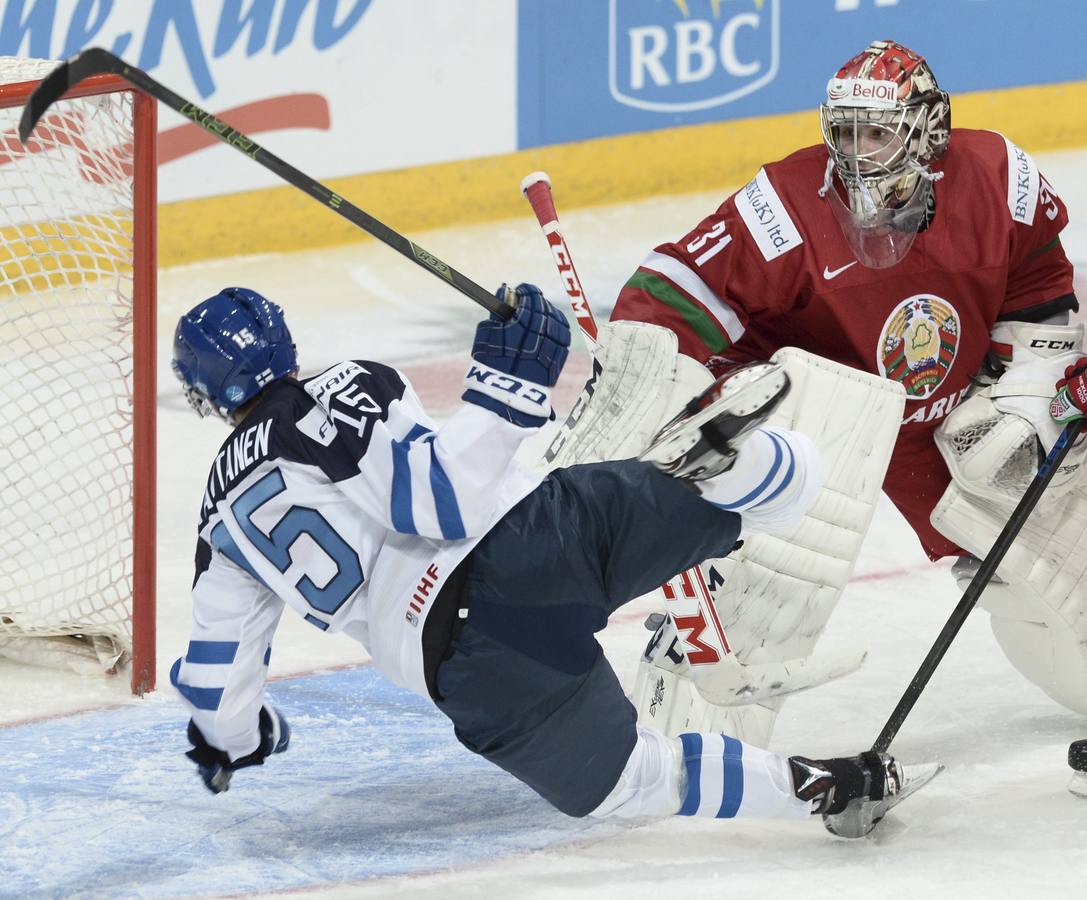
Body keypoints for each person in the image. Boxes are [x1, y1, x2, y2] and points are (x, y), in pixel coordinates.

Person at [169, 283, 931, 826]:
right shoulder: (345, 384)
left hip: (472, 659)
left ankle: (822, 787)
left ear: (203, 393)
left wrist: (238, 742)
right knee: (790, 484)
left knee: (631, 786)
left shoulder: (219, 520)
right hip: (540, 531)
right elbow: (439, 498)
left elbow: (215, 682)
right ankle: (721, 464)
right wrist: (501, 393)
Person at [603, 38, 1087, 731]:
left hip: (936, 413)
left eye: (877, 130)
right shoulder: (786, 207)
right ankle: (689, 710)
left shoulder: (998, 176)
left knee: (1037, 543)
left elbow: (1038, 279)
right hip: (815, 411)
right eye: (845, 130)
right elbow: (673, 289)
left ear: (928, 131)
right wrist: (649, 373)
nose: (855, 150)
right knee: (783, 568)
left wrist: (1029, 387)